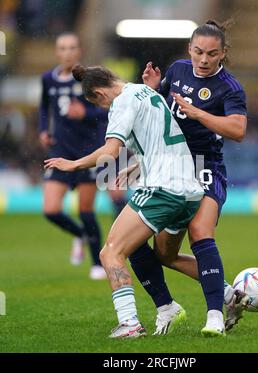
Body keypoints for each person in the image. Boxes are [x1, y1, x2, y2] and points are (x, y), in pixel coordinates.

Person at [44, 64, 205, 338]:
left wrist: (74, 164)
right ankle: (227, 292)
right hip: (189, 189)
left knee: (110, 252)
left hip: (162, 189)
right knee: (164, 254)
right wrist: (137, 166)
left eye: (100, 102)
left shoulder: (121, 102)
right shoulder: (146, 91)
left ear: (98, 93)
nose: (105, 108)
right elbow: (157, 139)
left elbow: (110, 150)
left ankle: (129, 323)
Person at [127, 20, 249, 334]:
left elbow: (237, 130)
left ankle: (215, 318)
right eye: (198, 52)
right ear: (189, 49)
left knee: (200, 231)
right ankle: (226, 293)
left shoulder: (230, 87)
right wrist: (153, 90)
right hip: (170, 167)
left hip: (205, 166)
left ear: (223, 53)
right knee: (162, 253)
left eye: (211, 53)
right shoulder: (178, 70)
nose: (204, 59)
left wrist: (200, 114)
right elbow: (160, 114)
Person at [39, 32, 126, 280]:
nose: (67, 52)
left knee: (86, 210)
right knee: (51, 209)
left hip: (87, 150)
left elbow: (106, 112)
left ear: (79, 52)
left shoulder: (88, 81)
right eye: (62, 48)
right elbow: (44, 107)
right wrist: (43, 130)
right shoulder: (48, 79)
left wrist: (85, 114)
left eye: (71, 48)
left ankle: (96, 264)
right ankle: (80, 234)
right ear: (57, 52)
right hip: (60, 150)